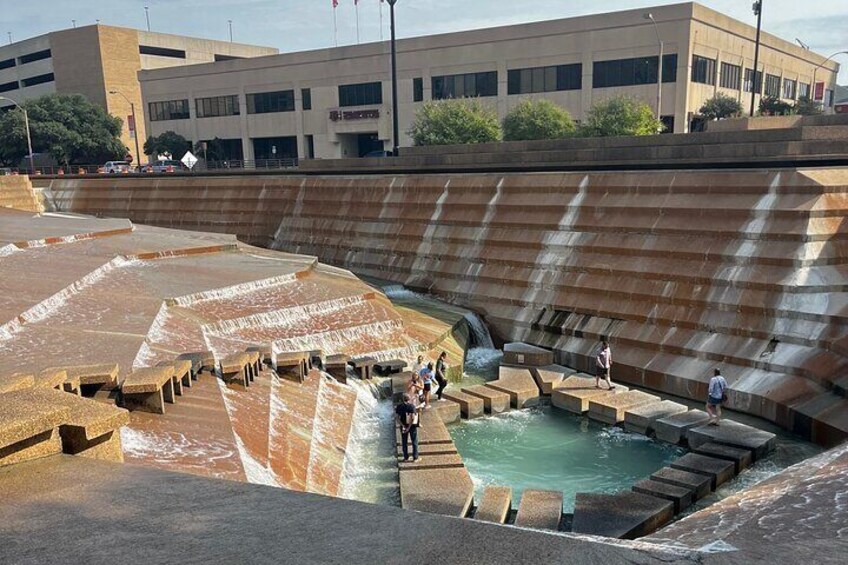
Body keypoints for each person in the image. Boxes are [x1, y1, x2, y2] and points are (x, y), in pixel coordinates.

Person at [395, 393, 419, 462]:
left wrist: (403, 426)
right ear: (409, 399)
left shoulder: (399, 406)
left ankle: (406, 457)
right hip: (412, 426)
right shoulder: (412, 406)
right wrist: (409, 427)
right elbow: (412, 418)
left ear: (402, 399)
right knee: (414, 441)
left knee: (404, 442)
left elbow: (397, 418)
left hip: (403, 426)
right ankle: (415, 458)